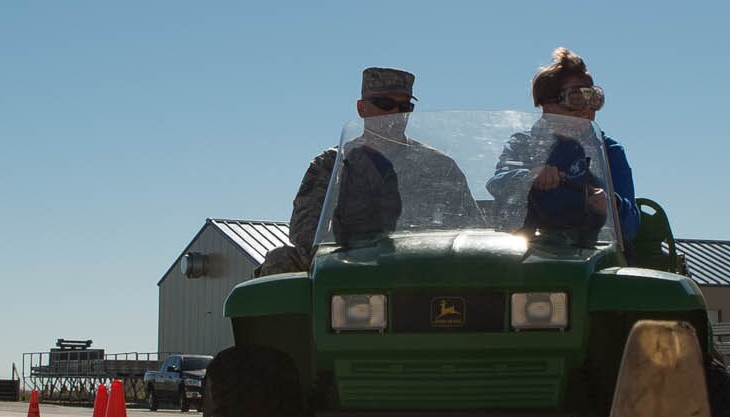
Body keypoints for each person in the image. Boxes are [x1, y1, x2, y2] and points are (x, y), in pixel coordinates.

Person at [257, 67, 476, 273]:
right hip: (350, 264)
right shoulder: (331, 164)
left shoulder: (438, 165)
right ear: (361, 109)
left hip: (421, 263)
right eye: (385, 104)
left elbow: (473, 228)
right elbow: (304, 231)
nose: (396, 113)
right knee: (280, 262)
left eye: (405, 106)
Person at [488, 49, 639, 253]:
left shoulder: (609, 151)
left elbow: (631, 226)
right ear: (547, 104)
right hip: (529, 250)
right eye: (576, 98)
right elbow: (498, 183)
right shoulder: (523, 144)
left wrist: (611, 205)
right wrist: (531, 176)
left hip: (592, 252)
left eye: (593, 98)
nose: (586, 109)